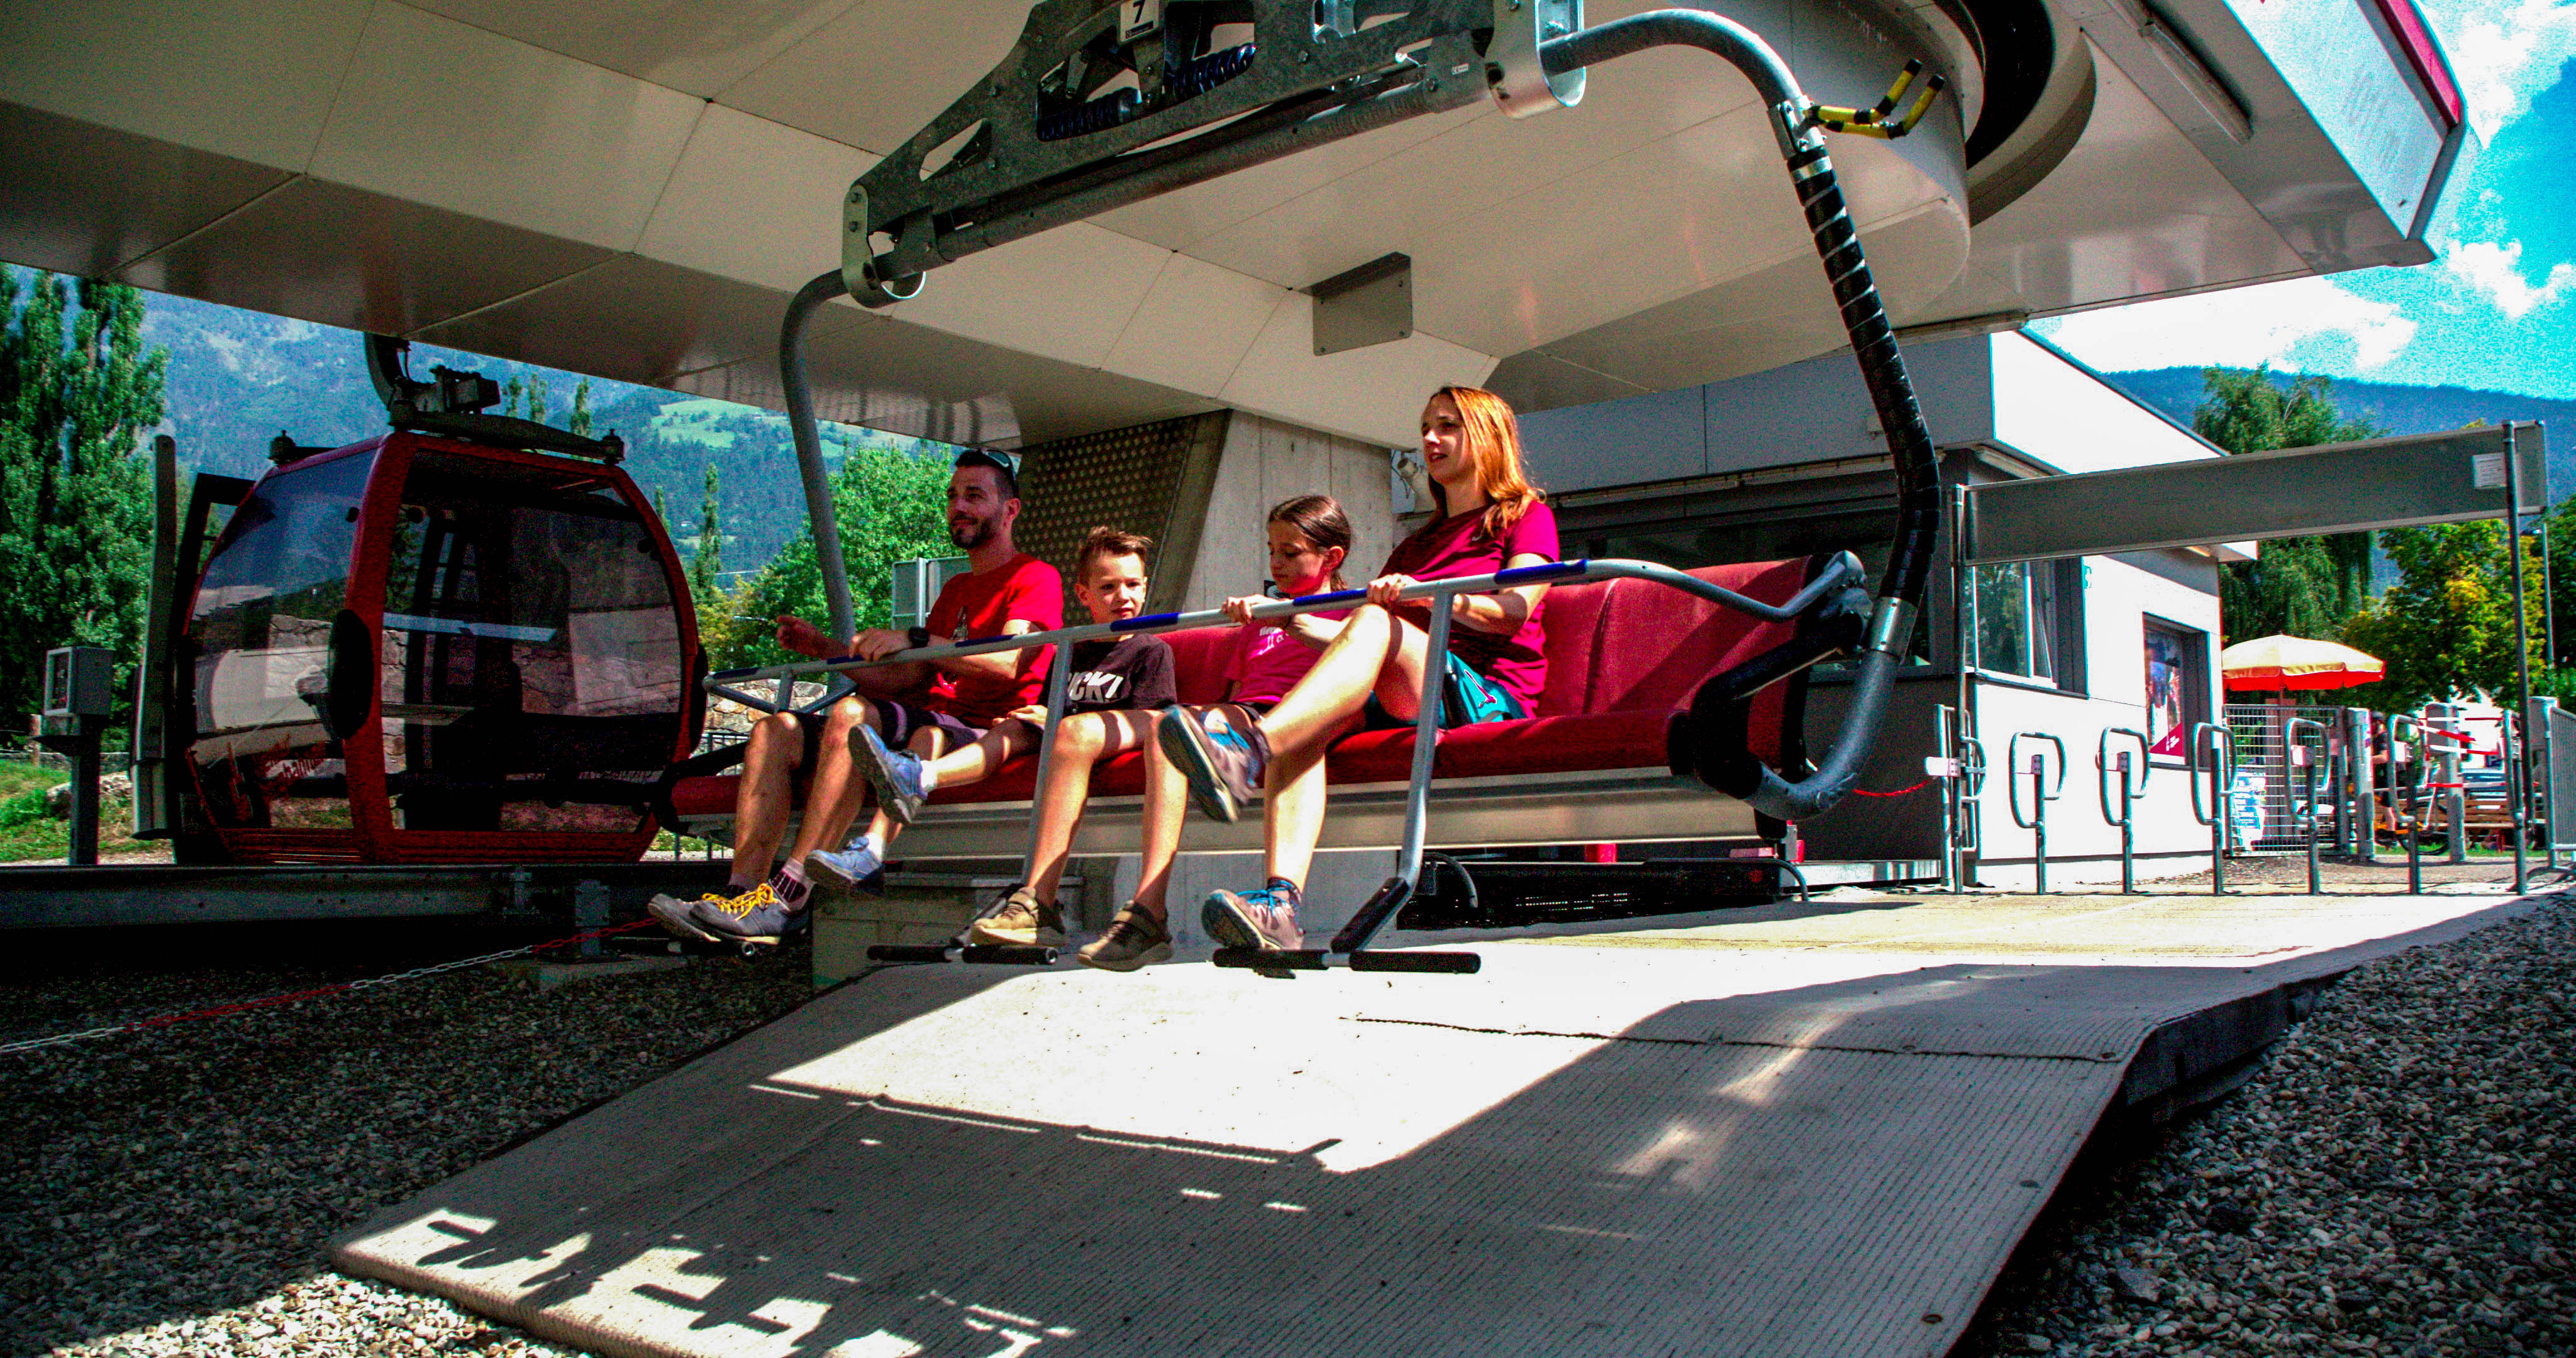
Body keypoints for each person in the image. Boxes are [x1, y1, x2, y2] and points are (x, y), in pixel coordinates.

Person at [1158, 387, 1557, 955]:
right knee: (1310, 728)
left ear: (1488, 436)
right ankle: (1280, 907)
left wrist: (1431, 597)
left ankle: (1247, 754)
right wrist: (1285, 620)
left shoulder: (1524, 518)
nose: (1429, 440)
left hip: (1486, 694)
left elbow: (1512, 612)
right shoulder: (1417, 543)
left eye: (1447, 426)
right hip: (1411, 686)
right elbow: (1362, 643)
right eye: (1425, 426)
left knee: (1369, 626)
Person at [646, 449, 1059, 947]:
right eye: (953, 497)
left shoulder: (1035, 577)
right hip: (923, 715)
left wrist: (917, 640)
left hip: (977, 731)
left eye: (975, 496)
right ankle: (742, 894)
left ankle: (790, 896)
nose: (959, 507)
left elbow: (1006, 663)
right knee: (775, 729)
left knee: (853, 715)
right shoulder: (956, 589)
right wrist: (827, 650)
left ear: (1009, 510)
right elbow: (908, 681)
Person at [821, 526, 1177, 946]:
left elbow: (1147, 720)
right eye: (1109, 587)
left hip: (1099, 739)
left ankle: (918, 778)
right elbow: (1053, 705)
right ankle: (921, 775)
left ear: (1146, 586)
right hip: (1064, 737)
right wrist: (1042, 715)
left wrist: (1066, 722)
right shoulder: (1073, 649)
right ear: (1084, 595)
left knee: (1062, 731)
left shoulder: (1151, 650)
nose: (1124, 597)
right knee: (1014, 726)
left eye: (1133, 585)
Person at [1076, 495, 1355, 971]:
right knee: (1170, 725)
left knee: (1278, 730)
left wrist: (1288, 619)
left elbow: (1359, 657)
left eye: (1290, 553)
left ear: (1331, 559)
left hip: (1313, 716)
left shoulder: (1352, 610)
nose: (1276, 563)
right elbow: (1239, 691)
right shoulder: (1261, 620)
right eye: (1271, 551)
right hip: (1254, 712)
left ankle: (1243, 775)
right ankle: (1148, 909)